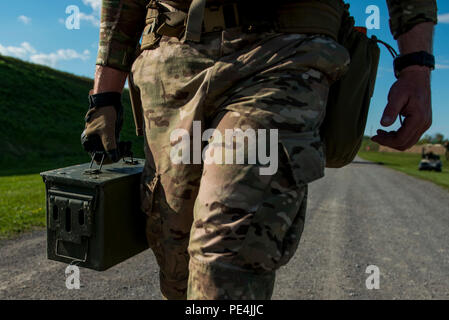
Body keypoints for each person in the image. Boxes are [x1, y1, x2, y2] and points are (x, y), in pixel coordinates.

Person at [81, 0, 437, 299]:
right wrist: (104, 94)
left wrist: (416, 66)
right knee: (175, 258)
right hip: (170, 62)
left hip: (283, 54)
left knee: (226, 256)